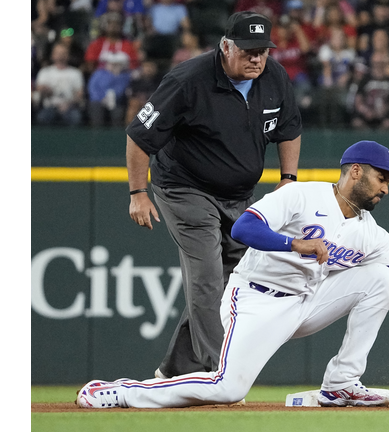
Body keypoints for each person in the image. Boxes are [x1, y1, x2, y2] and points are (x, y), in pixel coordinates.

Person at [77, 140, 389, 409]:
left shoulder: (371, 232)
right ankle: (122, 391)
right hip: (255, 298)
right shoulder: (302, 195)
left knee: (382, 279)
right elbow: (243, 229)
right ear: (355, 171)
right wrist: (293, 244)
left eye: (388, 181)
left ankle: (341, 384)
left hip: (307, 302)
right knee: (229, 388)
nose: (386, 188)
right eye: (381, 177)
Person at [123, 12, 303, 382]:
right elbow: (139, 135)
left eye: (263, 51)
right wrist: (138, 192)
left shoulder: (274, 78)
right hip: (185, 188)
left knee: (232, 280)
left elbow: (289, 129)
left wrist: (288, 178)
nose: (257, 58)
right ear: (226, 46)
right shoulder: (188, 80)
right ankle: (219, 370)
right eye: (248, 50)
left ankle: (174, 371)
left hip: (239, 196)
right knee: (206, 274)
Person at [33, 41, 85, 127]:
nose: (61, 56)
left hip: (69, 107)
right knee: (42, 117)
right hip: (50, 106)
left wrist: (68, 104)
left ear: (68, 55)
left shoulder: (76, 73)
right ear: (53, 55)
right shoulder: (45, 72)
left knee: (76, 117)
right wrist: (45, 91)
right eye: (58, 53)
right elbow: (39, 90)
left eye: (63, 53)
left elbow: (80, 95)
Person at [87, 51, 133, 127]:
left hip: (117, 102)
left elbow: (123, 90)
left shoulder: (125, 76)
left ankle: (115, 135)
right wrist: (101, 99)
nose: (114, 66)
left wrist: (116, 76)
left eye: (117, 64)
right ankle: (96, 134)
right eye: (112, 64)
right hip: (99, 101)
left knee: (117, 112)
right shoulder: (98, 74)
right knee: (96, 108)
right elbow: (92, 89)